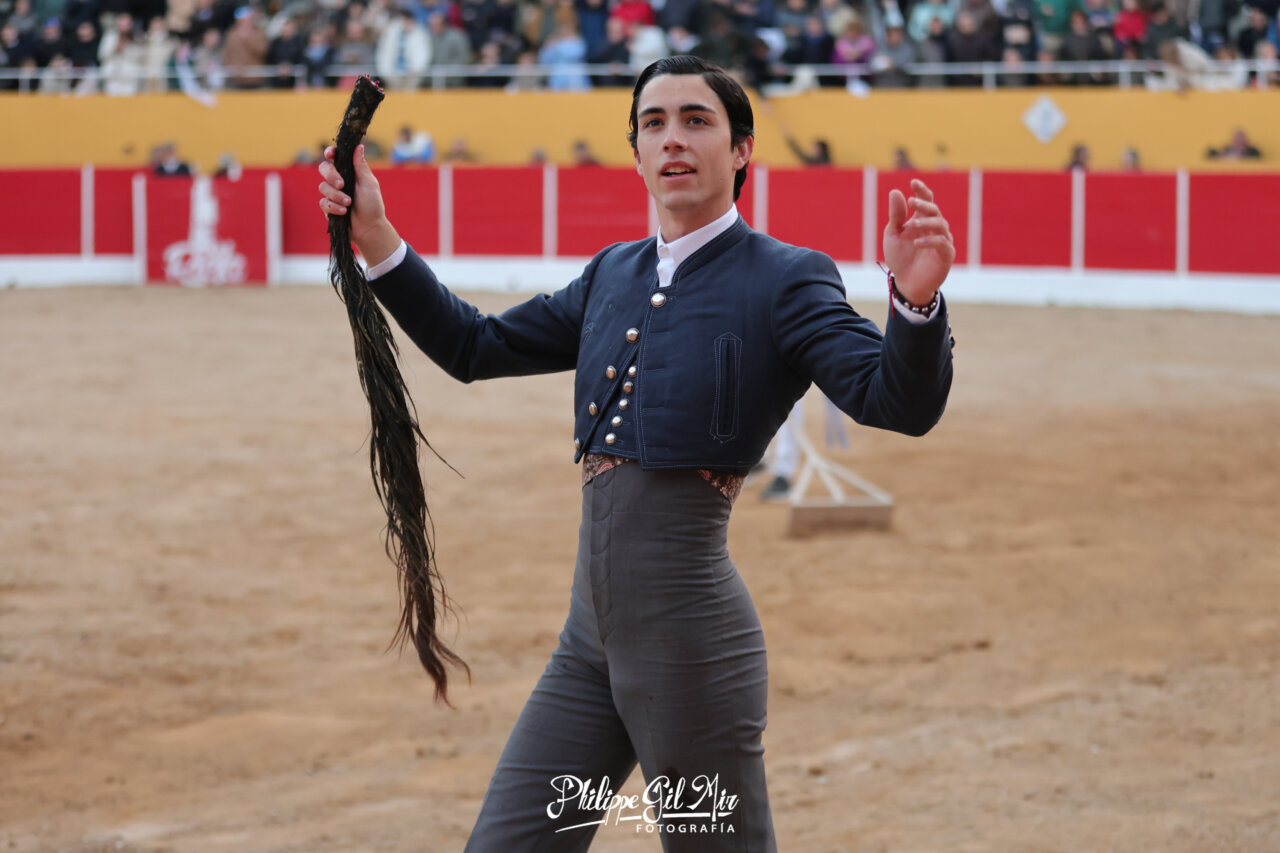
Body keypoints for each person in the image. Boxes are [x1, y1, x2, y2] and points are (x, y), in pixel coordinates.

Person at [317, 55, 955, 851]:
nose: (673, 139)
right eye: (654, 124)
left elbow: (896, 401)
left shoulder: (787, 279)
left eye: (697, 120)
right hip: (588, 646)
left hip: (693, 650)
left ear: (743, 149)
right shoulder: (612, 273)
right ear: (636, 152)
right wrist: (378, 237)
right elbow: (473, 345)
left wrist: (916, 304)